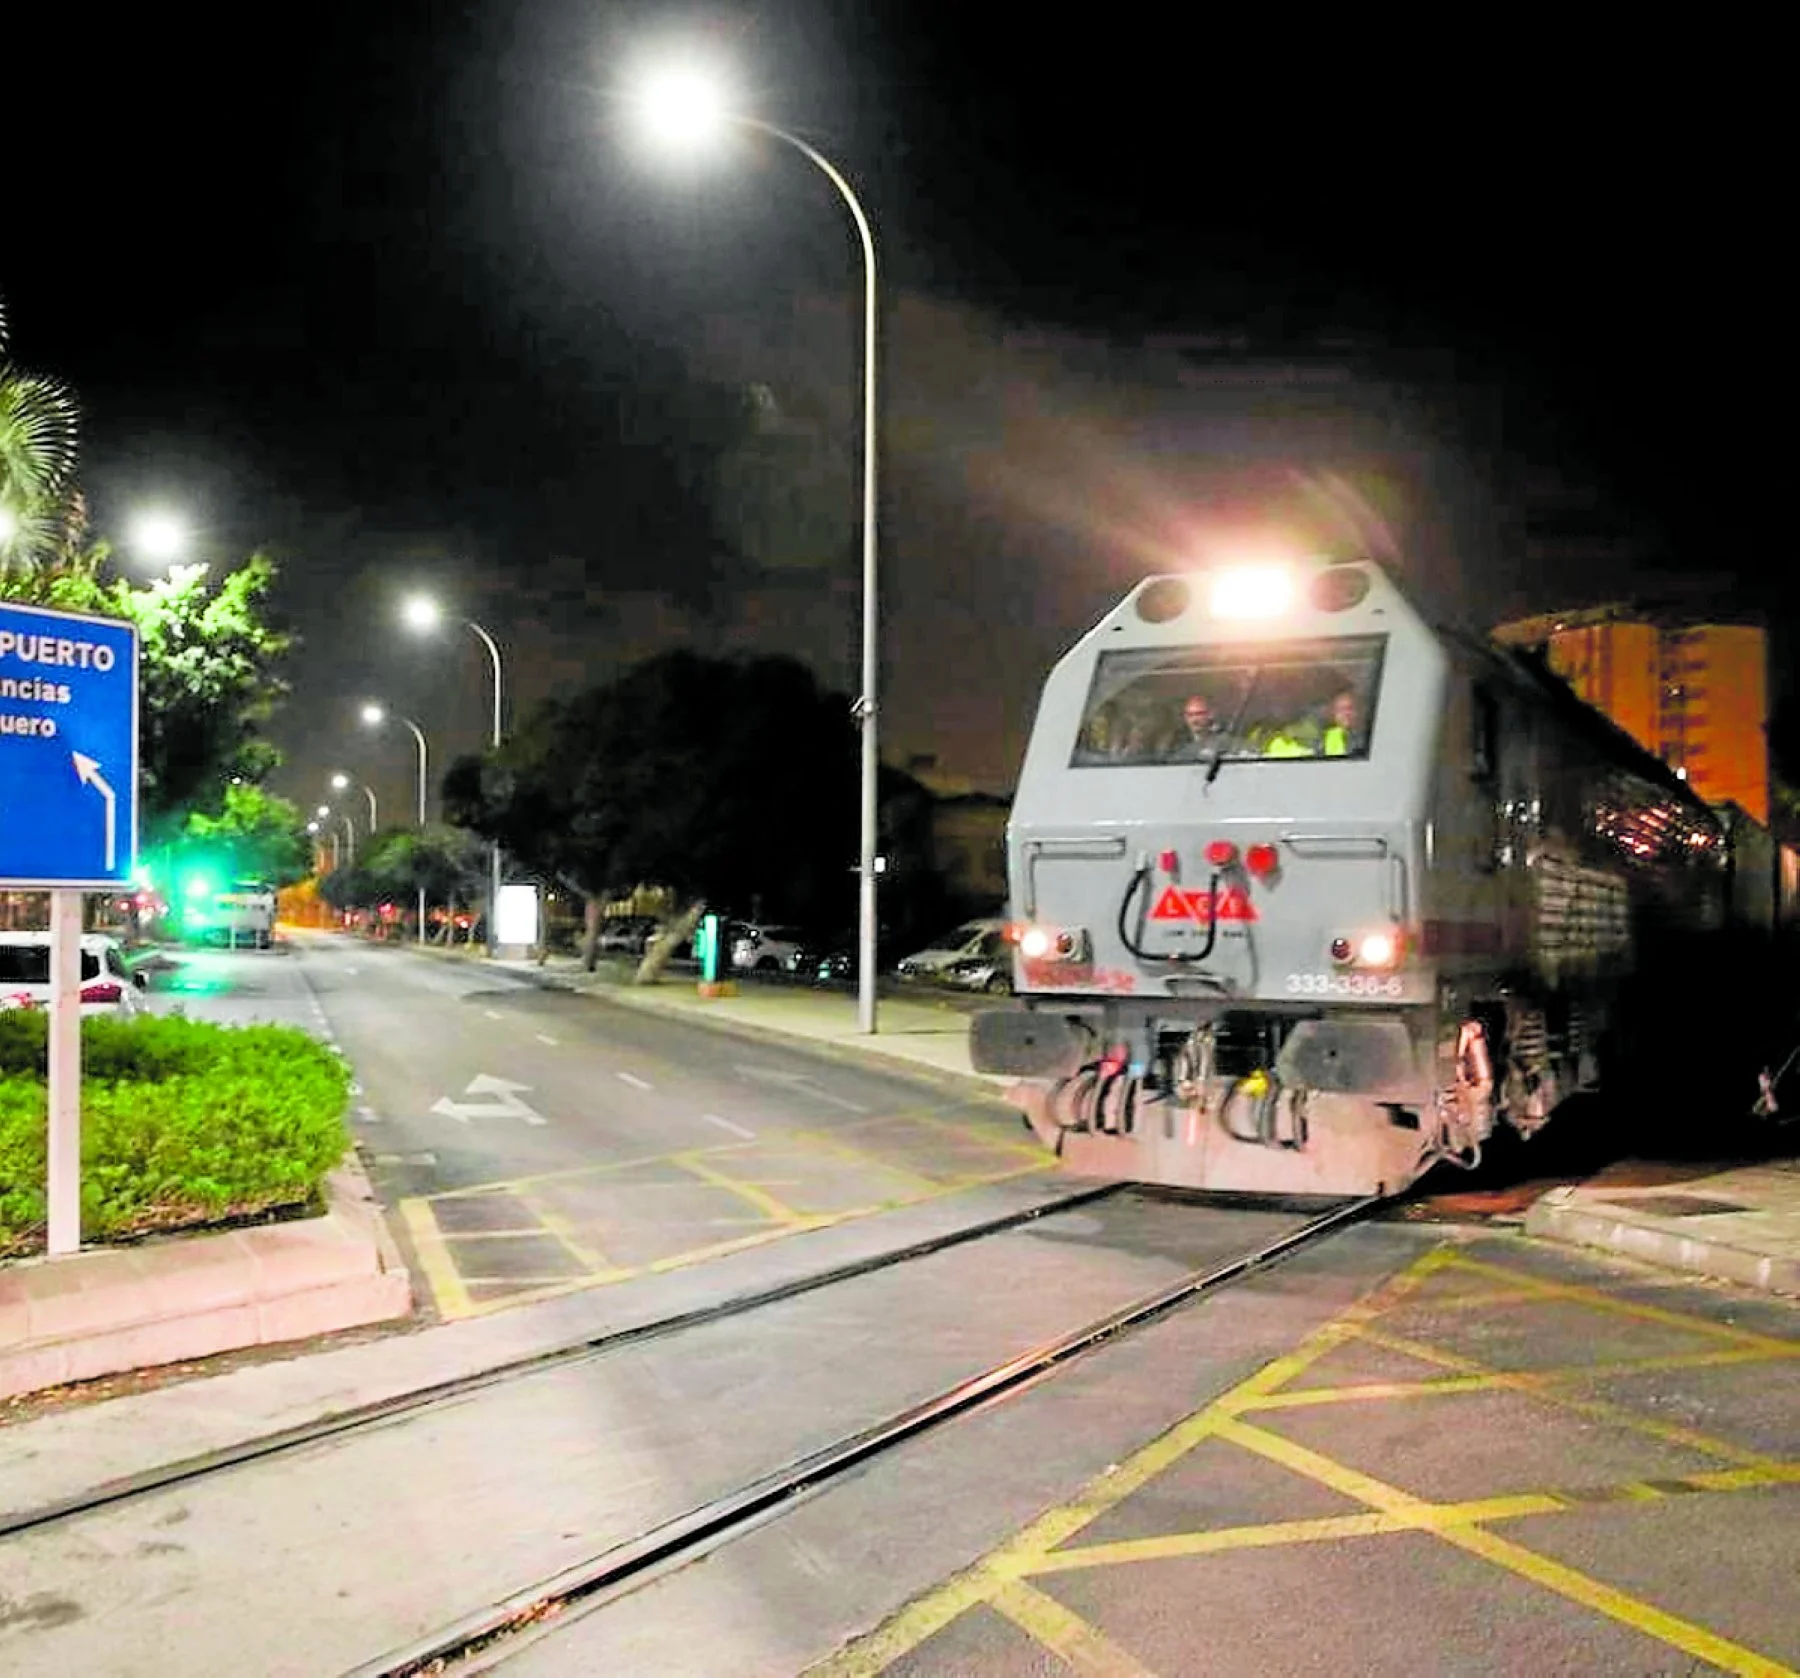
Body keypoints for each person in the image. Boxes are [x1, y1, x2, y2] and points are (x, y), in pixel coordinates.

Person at [1322, 688, 1362, 757]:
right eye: (1341, 709)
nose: (1346, 713)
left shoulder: (1366, 737)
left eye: (1349, 708)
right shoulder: (1324, 739)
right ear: (1334, 713)